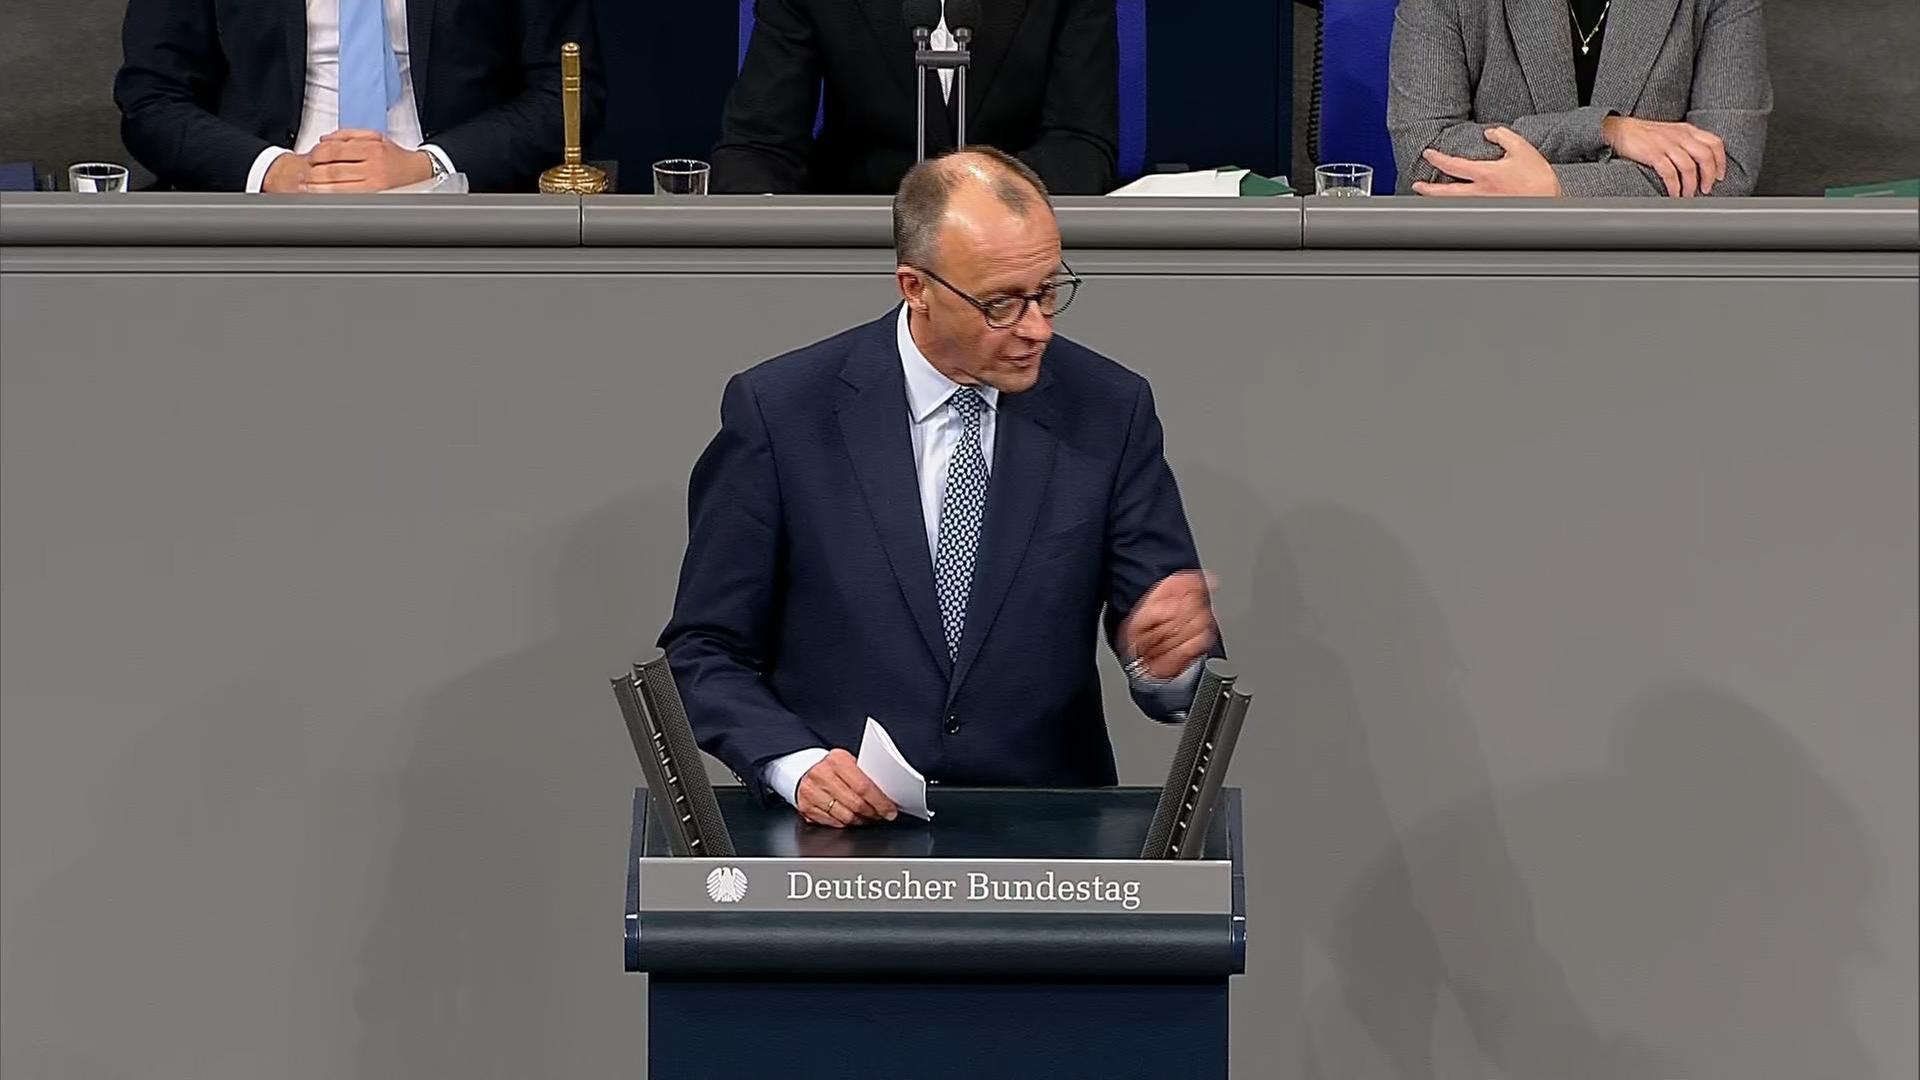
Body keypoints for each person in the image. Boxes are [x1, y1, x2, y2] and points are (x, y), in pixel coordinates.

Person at [659, 148, 1217, 828]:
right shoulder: (783, 413)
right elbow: (704, 650)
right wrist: (794, 763)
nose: (1037, 327)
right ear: (914, 286)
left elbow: (1169, 644)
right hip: (837, 837)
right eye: (1002, 304)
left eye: (1048, 290)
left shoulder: (1109, 409)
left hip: (1045, 838)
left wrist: (1165, 661)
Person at [114, 0, 602, 193]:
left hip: (455, 210)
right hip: (261, 215)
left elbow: (566, 92)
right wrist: (275, 171)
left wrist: (429, 163)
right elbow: (152, 99)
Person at [711, 0, 1117, 196]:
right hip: (858, 245)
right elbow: (759, 145)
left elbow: (1081, 141)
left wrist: (980, 202)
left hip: (1012, 251)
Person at [1386, 0, 1772, 197]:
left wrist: (1556, 187)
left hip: (1646, 276)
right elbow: (1425, 151)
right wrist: (1605, 130)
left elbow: (1727, 171)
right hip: (1476, 271)